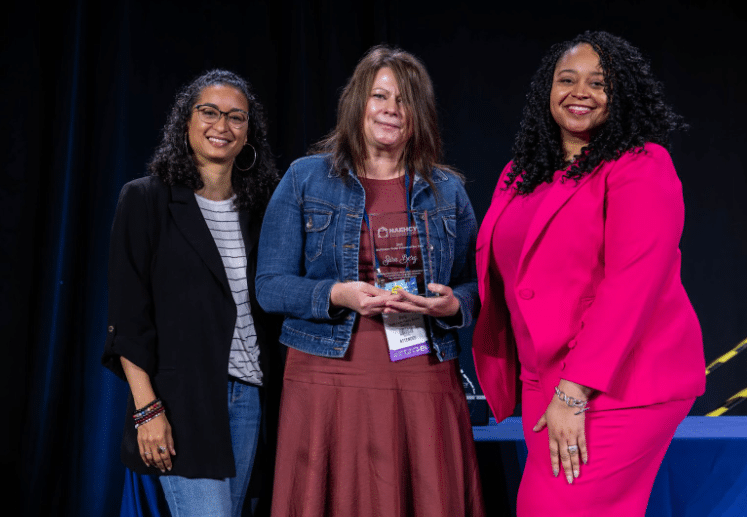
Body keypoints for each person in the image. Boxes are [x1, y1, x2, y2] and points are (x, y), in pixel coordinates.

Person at [472, 31, 706, 516]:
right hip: (543, 380)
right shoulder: (522, 172)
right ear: (547, 90)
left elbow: (633, 287)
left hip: (616, 382)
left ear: (621, 98)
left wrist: (574, 393)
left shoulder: (641, 166)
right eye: (567, 79)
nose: (580, 92)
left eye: (599, 83)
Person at [255, 45, 485, 517]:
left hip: (423, 373)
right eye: (380, 96)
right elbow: (270, 285)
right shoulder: (305, 178)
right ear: (357, 102)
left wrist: (452, 305)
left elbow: (474, 284)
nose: (391, 110)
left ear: (419, 114)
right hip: (327, 373)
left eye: (404, 101)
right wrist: (337, 294)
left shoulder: (447, 189)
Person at [102, 69, 281, 517]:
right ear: (186, 122)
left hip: (250, 399)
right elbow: (128, 319)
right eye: (210, 112)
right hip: (181, 401)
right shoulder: (144, 200)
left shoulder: (264, 209)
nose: (222, 126)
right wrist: (147, 411)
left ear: (248, 134)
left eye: (236, 117)